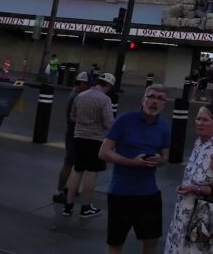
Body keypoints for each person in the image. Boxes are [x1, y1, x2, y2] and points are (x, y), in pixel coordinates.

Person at [98, 84, 171, 254]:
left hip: (149, 193)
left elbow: (165, 157)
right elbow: (104, 152)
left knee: (151, 240)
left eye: (160, 99)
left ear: (164, 104)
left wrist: (159, 160)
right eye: (151, 96)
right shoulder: (125, 120)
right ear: (143, 100)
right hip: (121, 193)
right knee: (116, 242)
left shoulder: (164, 126)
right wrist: (132, 162)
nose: (155, 102)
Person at [164, 105, 213, 254]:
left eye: (205, 120)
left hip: (205, 212)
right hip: (183, 212)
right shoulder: (199, 142)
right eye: (198, 118)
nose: (199, 123)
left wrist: (195, 189)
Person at [64, 73, 116, 218]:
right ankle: (86, 207)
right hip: (96, 139)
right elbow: (108, 123)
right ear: (108, 86)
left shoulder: (80, 96)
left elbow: (73, 116)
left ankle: (68, 206)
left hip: (78, 137)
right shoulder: (105, 100)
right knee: (91, 173)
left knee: (77, 170)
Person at [54, 71, 90, 203]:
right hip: (74, 134)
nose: (88, 87)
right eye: (86, 84)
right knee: (69, 163)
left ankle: (68, 189)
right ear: (80, 83)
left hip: (73, 133)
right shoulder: (76, 97)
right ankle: (60, 191)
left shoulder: (76, 94)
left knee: (74, 163)